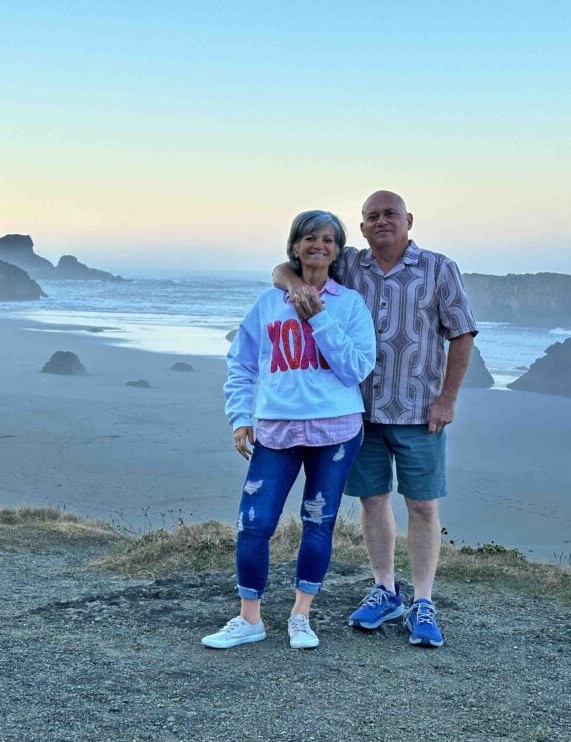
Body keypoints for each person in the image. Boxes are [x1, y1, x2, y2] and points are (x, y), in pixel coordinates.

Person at [273, 190, 477, 648]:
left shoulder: (439, 268)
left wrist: (448, 399)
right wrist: (294, 285)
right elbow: (286, 265)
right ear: (362, 227)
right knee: (372, 501)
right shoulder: (348, 263)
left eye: (390, 214)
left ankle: (423, 600)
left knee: (423, 505)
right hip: (356, 413)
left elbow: (462, 335)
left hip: (419, 411)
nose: (382, 221)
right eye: (372, 216)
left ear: (409, 220)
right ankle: (386, 589)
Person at [202, 210, 376, 651]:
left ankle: (301, 615)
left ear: (337, 251)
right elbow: (240, 362)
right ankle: (249, 619)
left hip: (336, 430)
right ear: (295, 245)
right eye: (309, 238)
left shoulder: (349, 304)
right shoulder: (268, 302)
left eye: (328, 240)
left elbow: (356, 367)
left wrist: (319, 317)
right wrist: (240, 417)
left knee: (318, 522)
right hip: (276, 429)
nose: (319, 246)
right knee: (253, 523)